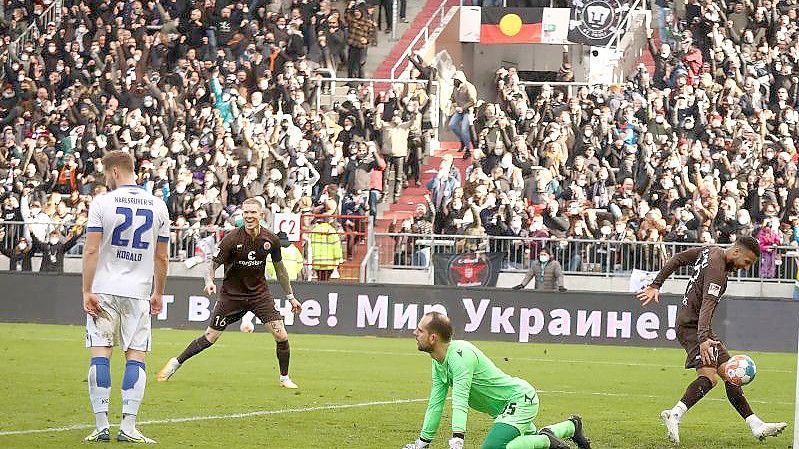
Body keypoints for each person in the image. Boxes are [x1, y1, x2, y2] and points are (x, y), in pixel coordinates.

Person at [636, 236, 787, 444]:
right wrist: (704, 338)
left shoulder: (710, 250)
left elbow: (678, 258)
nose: (745, 267)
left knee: (730, 373)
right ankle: (674, 414)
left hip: (697, 326)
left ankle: (756, 425)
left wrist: (656, 284)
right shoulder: (717, 271)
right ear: (736, 252)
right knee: (710, 377)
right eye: (747, 262)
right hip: (692, 327)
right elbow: (707, 303)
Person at [157, 198, 303, 389]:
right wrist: (209, 281)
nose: (249, 216)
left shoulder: (271, 239)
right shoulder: (232, 239)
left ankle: (284, 378)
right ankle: (175, 363)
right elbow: (212, 265)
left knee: (281, 335)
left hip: (259, 295)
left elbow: (280, 269)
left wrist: (290, 296)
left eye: (253, 212)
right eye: (246, 212)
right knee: (210, 337)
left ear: (262, 215)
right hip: (232, 296)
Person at [402, 312, 591, 449]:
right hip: (503, 409)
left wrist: (457, 441)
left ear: (433, 337)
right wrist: (422, 443)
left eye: (419, 330)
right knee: (525, 440)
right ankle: (572, 426)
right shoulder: (438, 361)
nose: (414, 333)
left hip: (518, 399)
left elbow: (460, 401)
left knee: (495, 448)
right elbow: (436, 403)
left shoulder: (460, 356)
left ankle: (547, 441)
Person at [82, 150, 170, 443]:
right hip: (138, 291)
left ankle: (101, 425)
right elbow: (161, 257)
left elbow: (92, 250)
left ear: (116, 172)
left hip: (105, 288)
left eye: (107, 175)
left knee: (100, 352)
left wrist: (86, 289)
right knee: (136, 356)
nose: (106, 180)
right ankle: (128, 427)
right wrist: (159, 291)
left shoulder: (103, 202)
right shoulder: (158, 205)